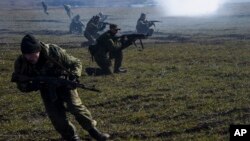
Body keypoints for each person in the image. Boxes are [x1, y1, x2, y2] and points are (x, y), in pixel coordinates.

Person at [11, 34, 110, 141]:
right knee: (56, 116)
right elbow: (21, 85)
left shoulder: (54, 51)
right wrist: (35, 85)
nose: (30, 57)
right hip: (46, 90)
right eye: (26, 54)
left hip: (64, 84)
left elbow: (76, 62)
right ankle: (72, 137)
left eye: (32, 54)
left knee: (76, 108)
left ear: (38, 50)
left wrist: (75, 76)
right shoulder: (21, 63)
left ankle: (95, 133)